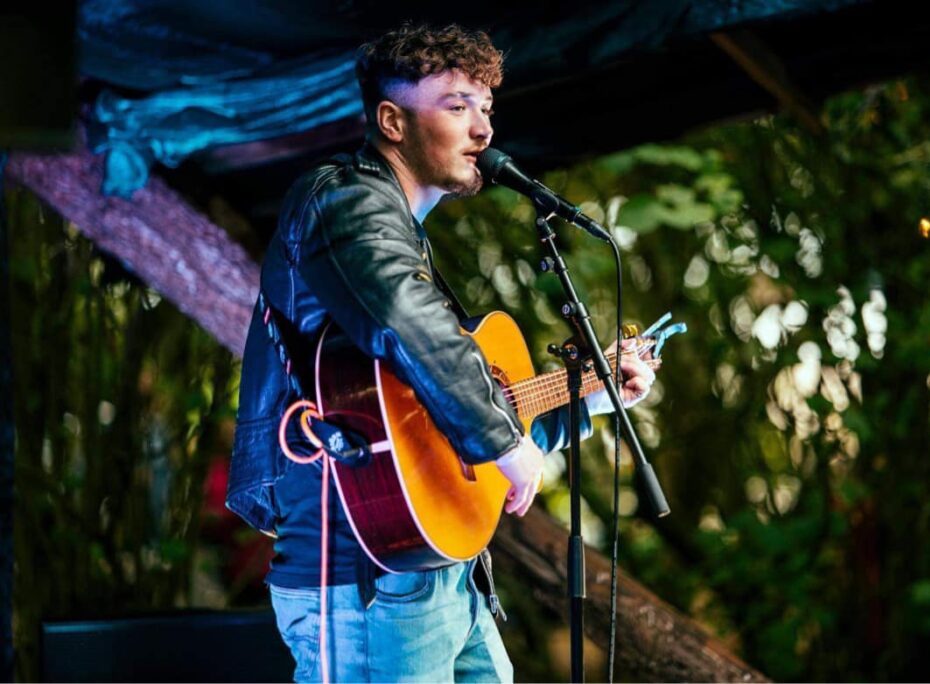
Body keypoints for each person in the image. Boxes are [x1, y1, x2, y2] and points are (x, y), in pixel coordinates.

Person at [227, 23, 657, 683]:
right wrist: (503, 442)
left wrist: (590, 394)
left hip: (437, 569)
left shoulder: (404, 237)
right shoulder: (343, 200)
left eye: (486, 108)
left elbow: (443, 409)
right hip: (358, 572)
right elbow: (405, 319)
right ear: (392, 120)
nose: (483, 129)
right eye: (457, 105)